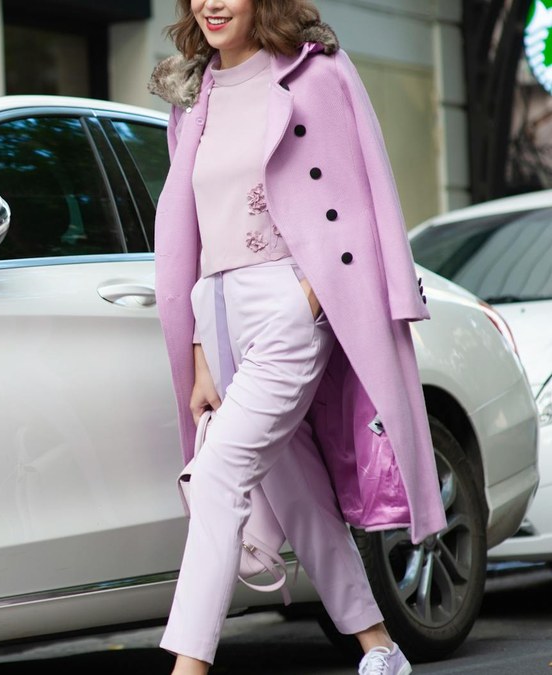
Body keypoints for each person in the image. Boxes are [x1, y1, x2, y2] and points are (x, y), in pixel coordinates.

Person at [146, 1, 447, 674]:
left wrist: (306, 296)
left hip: (288, 300)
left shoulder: (317, 75)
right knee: (299, 494)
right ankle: (381, 648)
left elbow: (367, 192)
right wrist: (198, 354)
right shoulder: (193, 96)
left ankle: (187, 667)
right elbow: (193, 238)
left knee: (219, 470)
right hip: (219, 309)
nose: (211, 3)